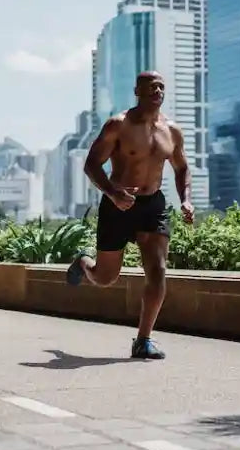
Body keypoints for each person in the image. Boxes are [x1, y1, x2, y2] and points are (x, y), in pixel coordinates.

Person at [66, 70, 193, 360]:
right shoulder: (118, 125)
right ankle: (83, 262)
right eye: (151, 86)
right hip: (117, 206)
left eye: (161, 86)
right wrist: (113, 193)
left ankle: (143, 340)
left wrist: (186, 200)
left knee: (158, 270)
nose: (157, 90)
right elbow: (91, 164)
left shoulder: (171, 131)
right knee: (105, 277)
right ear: (137, 91)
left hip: (152, 206)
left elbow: (182, 168)